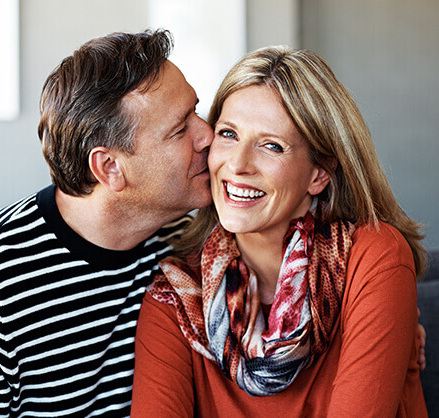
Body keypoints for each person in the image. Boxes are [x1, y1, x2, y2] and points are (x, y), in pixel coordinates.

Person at [0, 29, 213, 417]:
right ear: (110, 168)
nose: (208, 134)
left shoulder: (189, 246)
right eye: (180, 128)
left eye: (196, 110)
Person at [131, 46, 428, 417]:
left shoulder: (374, 258)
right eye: (228, 134)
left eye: (271, 145)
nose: (237, 165)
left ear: (319, 173)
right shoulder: (177, 296)